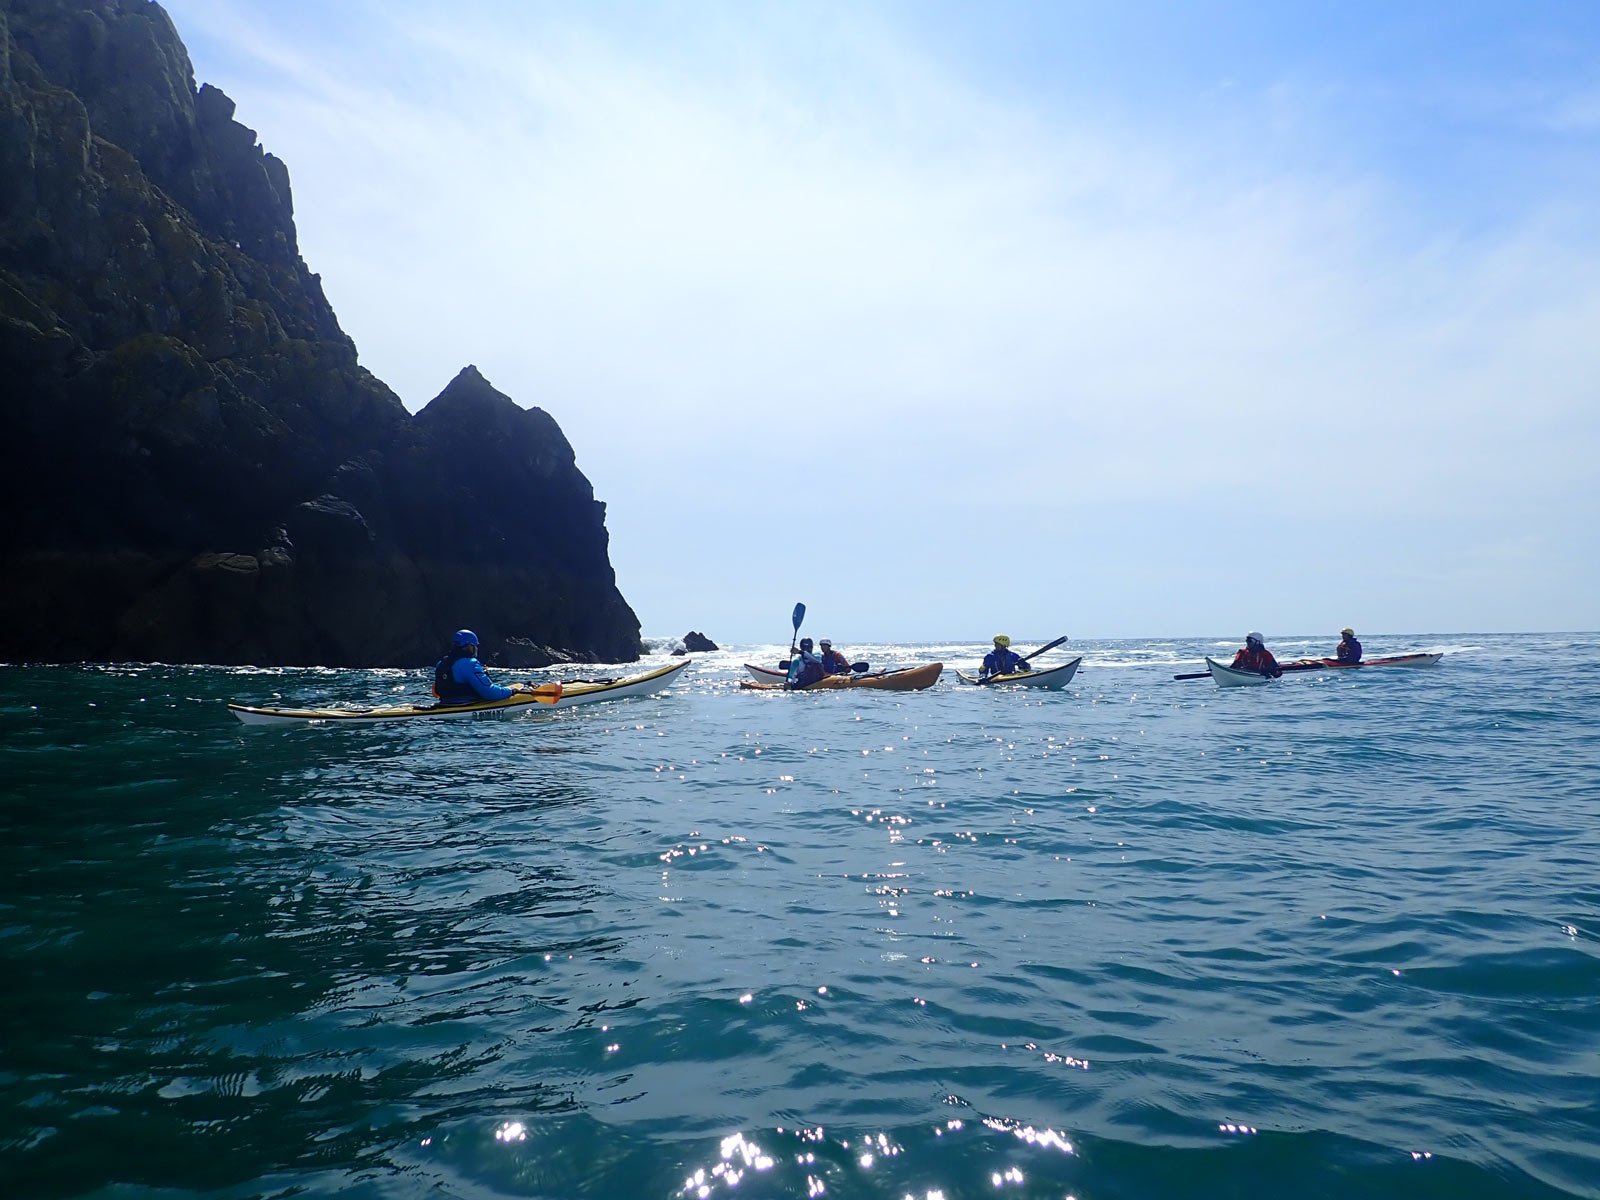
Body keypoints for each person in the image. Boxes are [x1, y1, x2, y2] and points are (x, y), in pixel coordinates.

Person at [433, 629, 522, 704]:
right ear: (469, 646)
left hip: (445, 704)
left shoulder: (441, 663)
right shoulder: (471, 664)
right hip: (466, 705)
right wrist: (510, 691)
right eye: (474, 646)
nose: (476, 648)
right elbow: (489, 693)